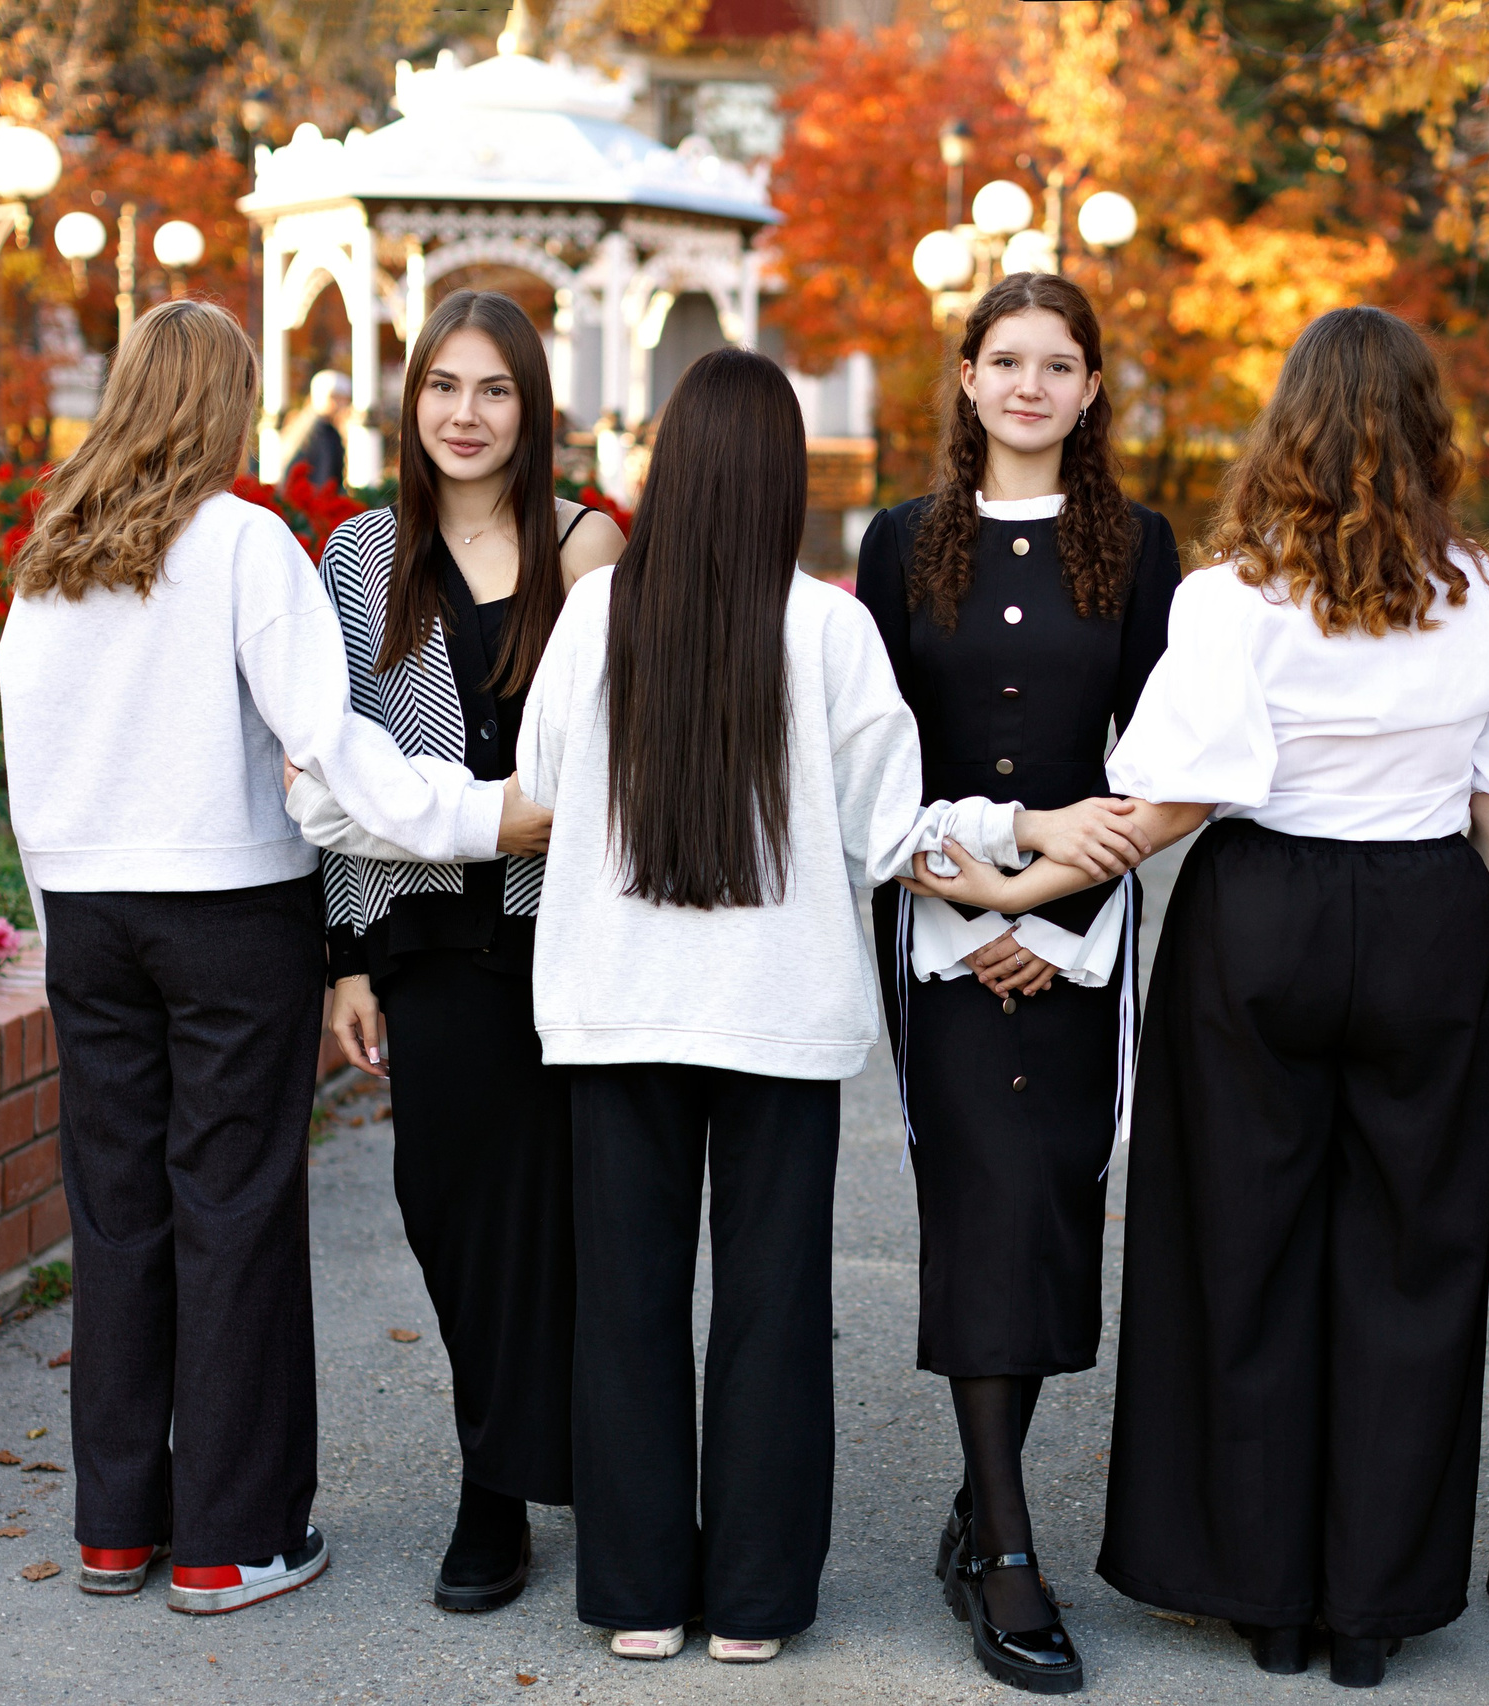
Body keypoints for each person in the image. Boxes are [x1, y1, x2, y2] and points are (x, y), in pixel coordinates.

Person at [912, 305, 1489, 1688]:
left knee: (1240, 1248)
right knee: (1410, 1261)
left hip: (1262, 918)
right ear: (1425, 433)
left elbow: (1162, 803)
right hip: (1423, 914)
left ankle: (1264, 1594)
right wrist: (1477, 940)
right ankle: (1372, 1611)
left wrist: (1011, 891)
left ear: (1291, 430)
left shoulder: (1232, 598)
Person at [0, 299, 536, 1616]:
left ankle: (118, 1524)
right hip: (229, 917)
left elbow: (29, 771)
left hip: (91, 916)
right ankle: (233, 1540)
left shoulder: (52, 551)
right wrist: (486, 816)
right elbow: (332, 754)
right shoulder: (245, 543)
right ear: (229, 406)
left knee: (118, 1215)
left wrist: (62, 901)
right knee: (231, 1213)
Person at [516, 346, 1013, 1668]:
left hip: (617, 1004)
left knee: (623, 1303)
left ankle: (634, 1595)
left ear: (666, 468)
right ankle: (752, 1599)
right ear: (788, 479)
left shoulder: (597, 612)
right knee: (772, 1307)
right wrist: (1041, 865)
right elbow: (891, 828)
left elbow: (543, 780)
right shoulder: (832, 626)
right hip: (781, 1012)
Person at [854, 271, 1175, 1696]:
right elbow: (872, 758)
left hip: (1081, 929)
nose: (1032, 384)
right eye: (1007, 360)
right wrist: (969, 885)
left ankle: (980, 1505)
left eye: (1060, 363)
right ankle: (1008, 1549)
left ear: (1092, 388)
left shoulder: (1140, 546)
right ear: (967, 380)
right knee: (975, 1208)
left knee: (1047, 1213)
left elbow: (1157, 769)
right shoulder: (904, 541)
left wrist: (1044, 917)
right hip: (932, 924)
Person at [282, 289, 625, 1613]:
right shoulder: (359, 558)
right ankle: (504, 1470)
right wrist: (345, 958)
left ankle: (556, 1477)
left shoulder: (587, 547)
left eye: (493, 390)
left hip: (569, 931)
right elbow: (330, 775)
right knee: (451, 1212)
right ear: (408, 400)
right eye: (443, 387)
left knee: (574, 1214)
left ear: (532, 408)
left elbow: (624, 743)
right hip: (422, 938)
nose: (466, 415)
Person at [291, 369, 351, 490]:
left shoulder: (323, 427)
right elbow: (323, 475)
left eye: (344, 399)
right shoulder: (316, 429)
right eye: (335, 398)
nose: (341, 404)